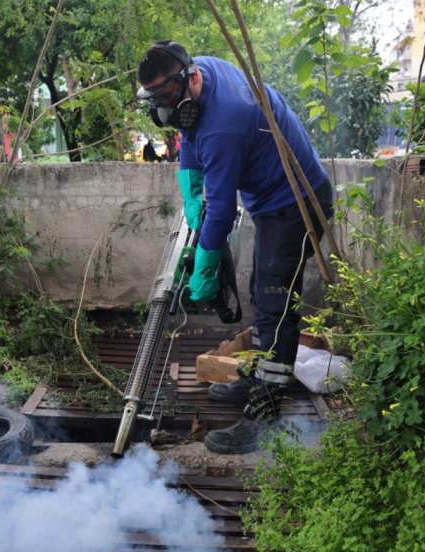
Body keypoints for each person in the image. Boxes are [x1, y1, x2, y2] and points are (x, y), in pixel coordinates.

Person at [136, 40, 333, 454]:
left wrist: (205, 266)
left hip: (296, 202)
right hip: (272, 199)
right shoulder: (203, 70)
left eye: (167, 96)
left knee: (275, 303)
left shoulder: (226, 123)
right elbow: (188, 131)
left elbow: (222, 212)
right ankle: (260, 374)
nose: (164, 107)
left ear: (189, 77)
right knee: (265, 290)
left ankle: (263, 414)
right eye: (155, 99)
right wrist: (190, 182)